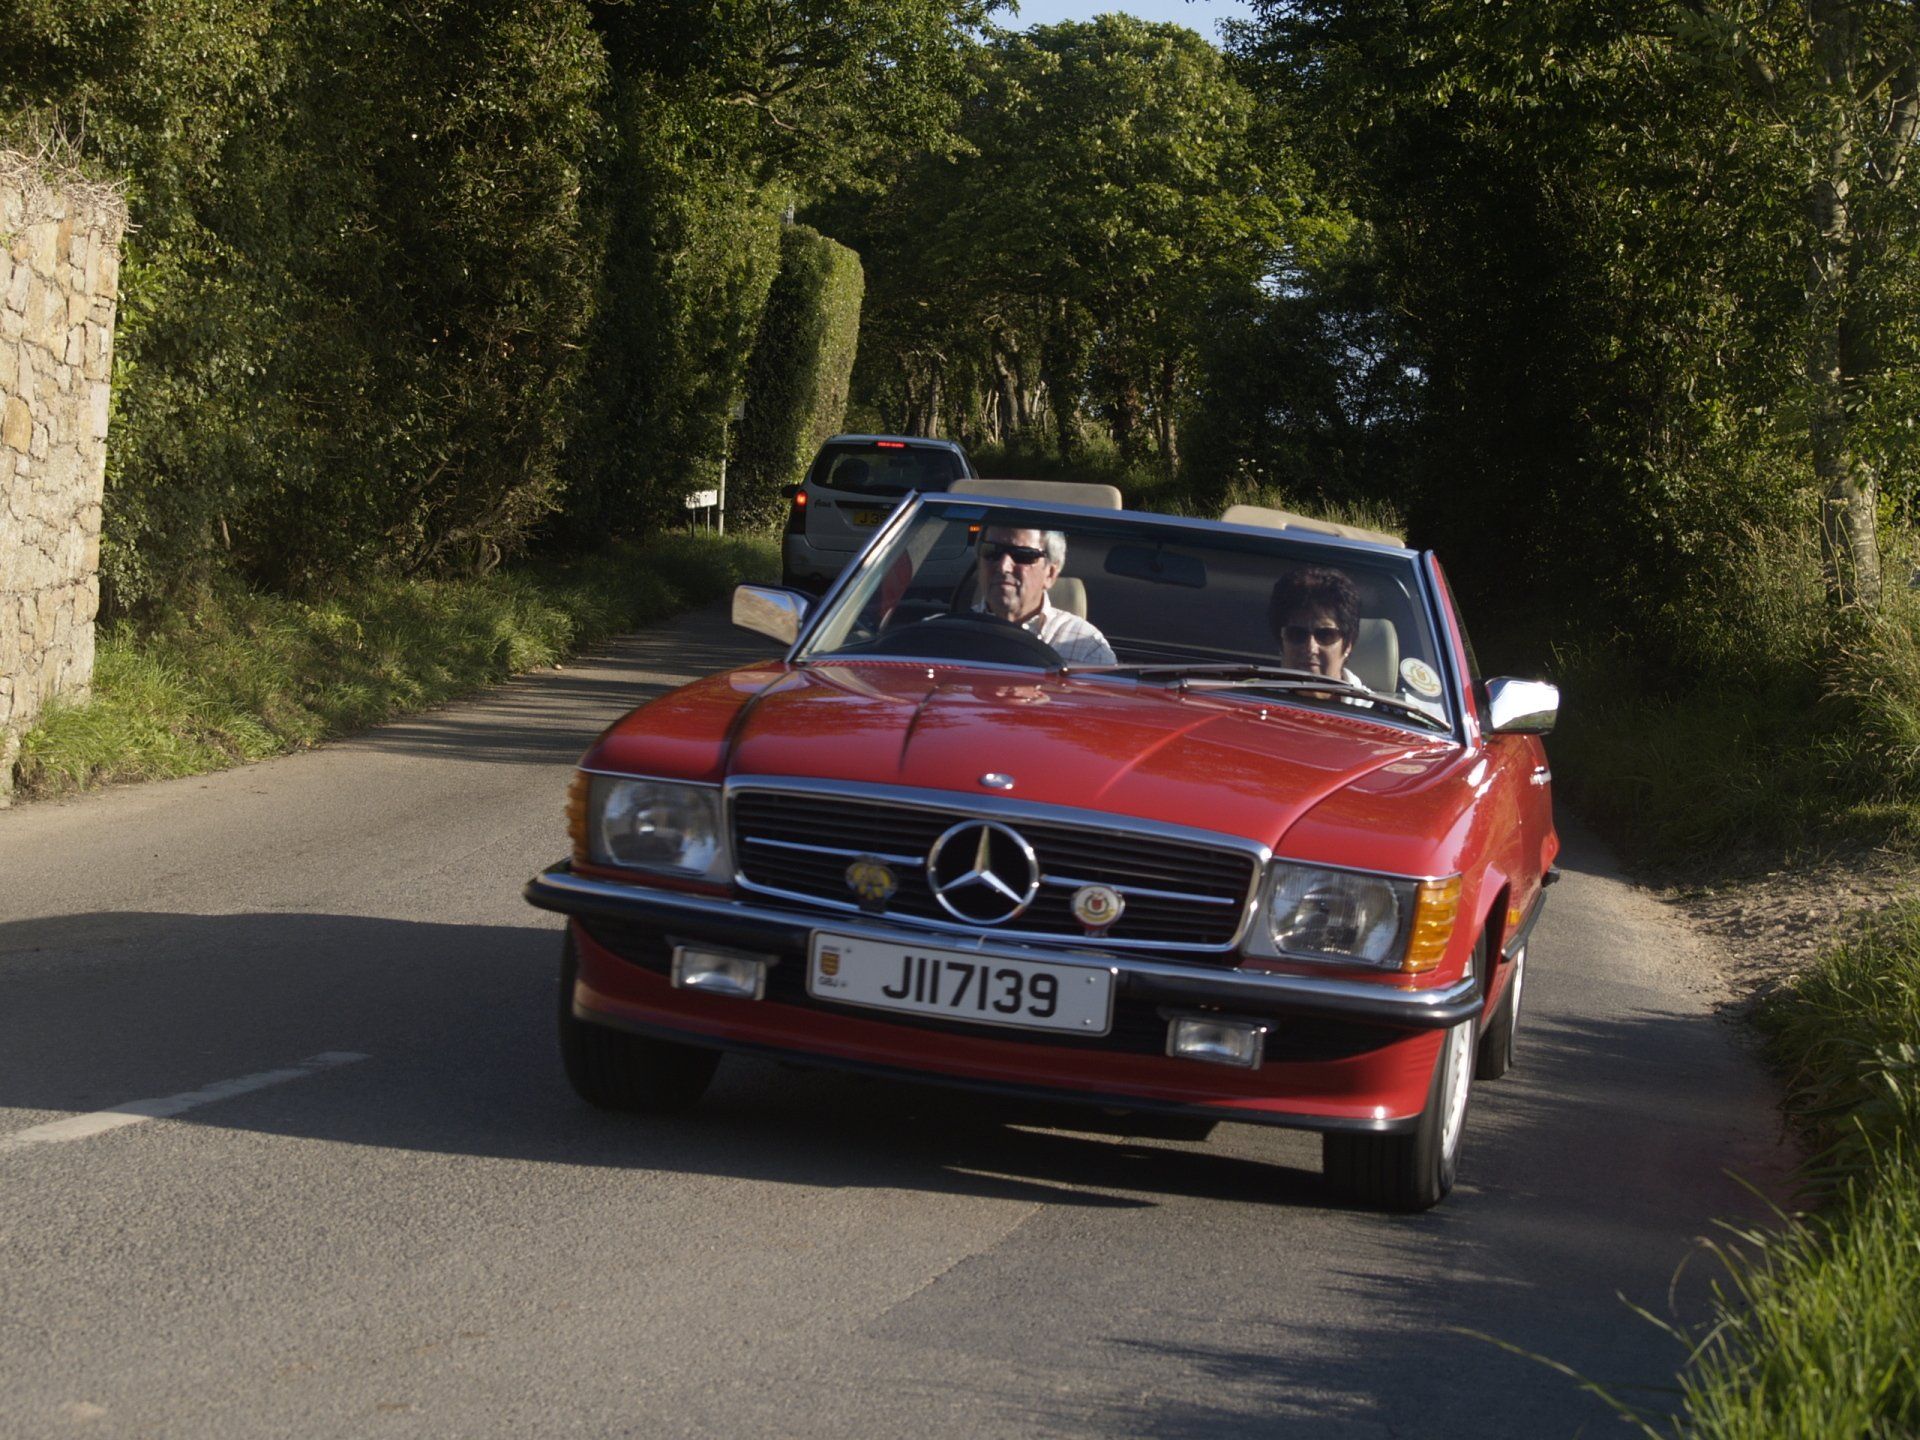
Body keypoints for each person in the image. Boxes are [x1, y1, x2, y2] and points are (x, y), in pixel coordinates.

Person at [974, 525, 1115, 664]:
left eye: (1022, 555)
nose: (1003, 566)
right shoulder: (960, 632)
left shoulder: (1087, 648)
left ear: (1050, 574)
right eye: (992, 551)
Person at [1269, 566, 1365, 688]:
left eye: (1325, 635)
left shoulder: (1368, 701)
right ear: (1281, 642)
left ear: (1347, 645)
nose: (1310, 648)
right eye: (1297, 634)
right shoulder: (1252, 696)